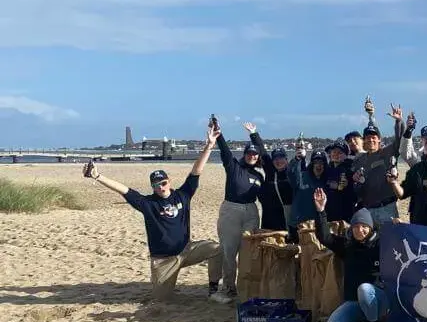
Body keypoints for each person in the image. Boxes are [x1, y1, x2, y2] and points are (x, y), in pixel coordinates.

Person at [84, 125, 223, 300]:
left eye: (163, 183)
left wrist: (209, 146)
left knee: (216, 249)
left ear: (169, 182)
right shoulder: (147, 203)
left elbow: (196, 171)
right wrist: (97, 176)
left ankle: (213, 291)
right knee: (161, 300)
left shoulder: (183, 194)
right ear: (153, 187)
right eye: (156, 185)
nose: (161, 187)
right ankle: (161, 282)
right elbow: (125, 190)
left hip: (187, 250)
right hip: (163, 260)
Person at [312, 190, 386, 322]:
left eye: (364, 226)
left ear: (371, 227)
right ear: (351, 228)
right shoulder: (347, 246)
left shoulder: (381, 245)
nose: (360, 230)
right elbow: (324, 237)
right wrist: (321, 211)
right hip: (355, 302)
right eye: (356, 227)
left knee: (365, 288)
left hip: (379, 300)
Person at [212, 123, 265, 303]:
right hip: (231, 211)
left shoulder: (259, 176)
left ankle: (246, 286)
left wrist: (254, 134)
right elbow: (225, 151)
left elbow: (266, 154)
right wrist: (218, 134)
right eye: (249, 153)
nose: (252, 156)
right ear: (244, 155)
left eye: (255, 154)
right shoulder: (234, 167)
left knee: (248, 251)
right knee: (229, 251)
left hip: (251, 212)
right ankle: (228, 287)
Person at [352, 102, 406, 227]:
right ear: (364, 140)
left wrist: (399, 122)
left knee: (389, 243)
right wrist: (355, 181)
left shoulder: (387, 152)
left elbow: (400, 139)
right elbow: (357, 188)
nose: (371, 140)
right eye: (368, 137)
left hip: (387, 208)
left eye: (374, 137)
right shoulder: (360, 159)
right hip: (368, 209)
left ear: (379, 139)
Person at [245, 122, 293, 232]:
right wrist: (253, 133)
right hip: (269, 216)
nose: (278, 161)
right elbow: (262, 151)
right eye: (275, 159)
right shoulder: (270, 170)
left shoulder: (292, 172)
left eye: (281, 158)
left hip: (286, 216)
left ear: (286, 160)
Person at [288, 146, 329, 239]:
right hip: (298, 225)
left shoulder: (327, 181)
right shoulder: (302, 177)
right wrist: (297, 159)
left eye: (322, 163)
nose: (319, 165)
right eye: (316, 162)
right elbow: (291, 173)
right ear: (312, 164)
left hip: (317, 225)